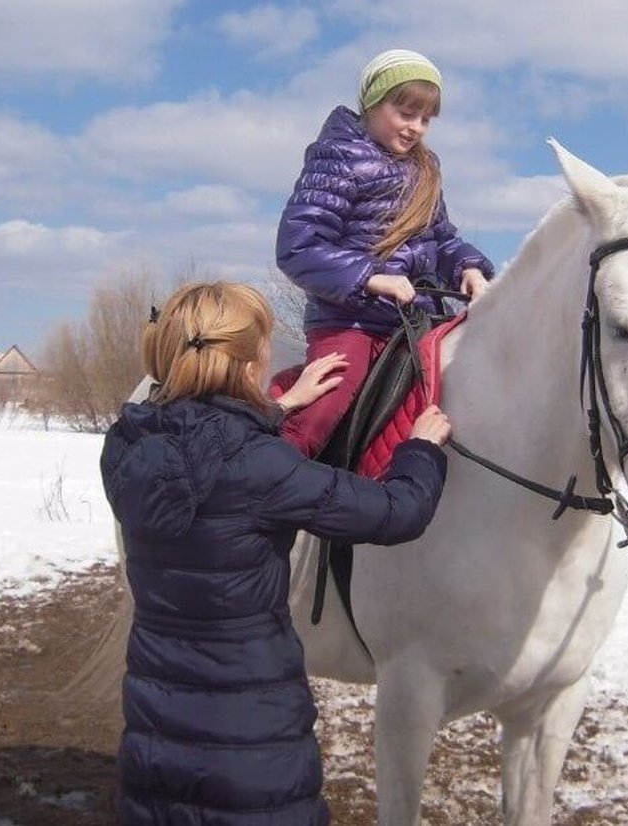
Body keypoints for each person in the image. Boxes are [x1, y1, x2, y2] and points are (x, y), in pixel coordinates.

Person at [99, 281, 452, 825]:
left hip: (156, 738)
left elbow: (209, 455)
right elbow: (394, 512)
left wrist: (282, 406)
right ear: (246, 368)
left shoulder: (127, 446)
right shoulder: (263, 467)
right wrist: (421, 451)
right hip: (250, 748)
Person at [276, 48, 495, 458]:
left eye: (426, 119)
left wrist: (468, 266)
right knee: (325, 406)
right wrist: (369, 277)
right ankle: (270, 487)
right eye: (405, 112)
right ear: (373, 104)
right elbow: (298, 246)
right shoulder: (338, 158)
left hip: (415, 324)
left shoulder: (425, 169)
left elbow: (442, 239)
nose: (416, 128)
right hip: (350, 322)